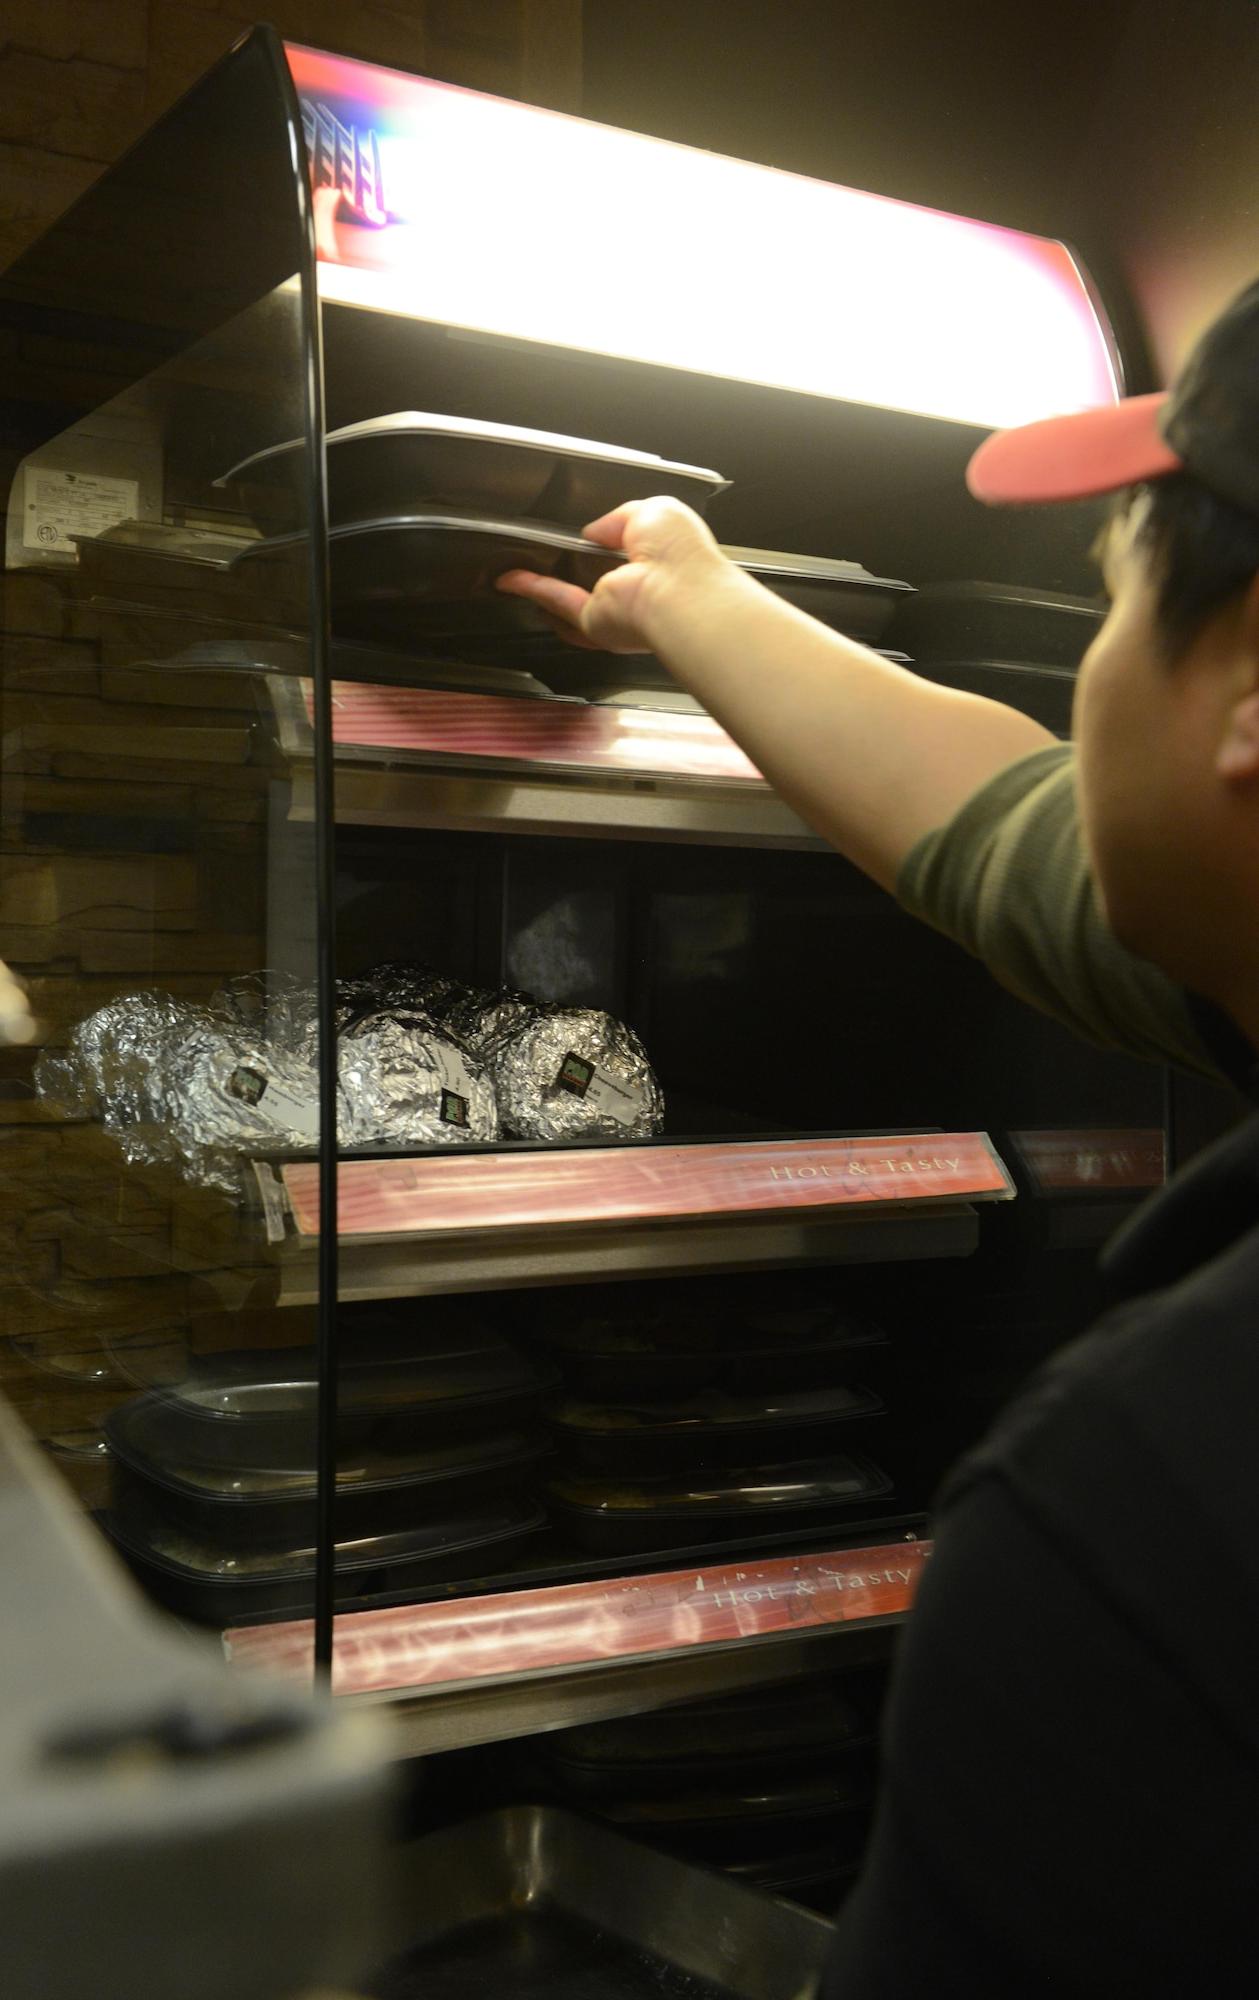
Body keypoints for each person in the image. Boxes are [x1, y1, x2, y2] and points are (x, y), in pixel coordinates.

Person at [497, 278, 1259, 1993]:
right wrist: (694, 598)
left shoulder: (1132, 1521)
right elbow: (1010, 829)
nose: (1089, 683)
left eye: (1114, 602)